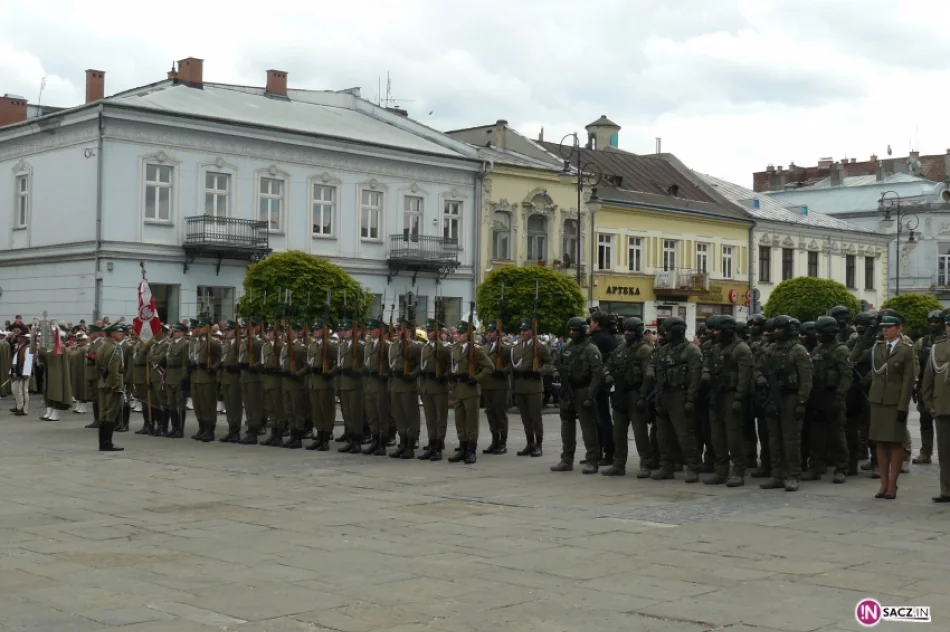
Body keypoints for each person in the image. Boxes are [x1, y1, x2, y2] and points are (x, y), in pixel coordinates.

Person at [756, 315, 812, 492]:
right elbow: (757, 368)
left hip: (791, 396)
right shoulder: (769, 349)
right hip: (772, 396)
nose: (776, 332)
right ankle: (776, 474)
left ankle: (793, 475)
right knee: (773, 439)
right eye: (775, 329)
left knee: (790, 439)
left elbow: (806, 378)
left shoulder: (798, 351)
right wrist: (760, 379)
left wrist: (802, 401)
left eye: (780, 329)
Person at [868, 310, 914, 500]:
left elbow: (908, 379)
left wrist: (903, 406)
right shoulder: (877, 347)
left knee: (895, 443)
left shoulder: (906, 349)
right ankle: (883, 484)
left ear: (898, 328)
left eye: (889, 327)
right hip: (878, 400)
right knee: (879, 442)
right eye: (883, 328)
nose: (885, 331)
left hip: (895, 402)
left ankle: (893, 485)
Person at [703, 315, 753, 487]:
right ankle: (721, 470)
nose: (713, 333)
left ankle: (738, 471)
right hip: (717, 394)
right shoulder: (715, 348)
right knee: (716, 435)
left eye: (717, 330)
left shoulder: (741, 349)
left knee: (733, 435)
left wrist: (739, 398)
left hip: (732, 395)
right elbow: (709, 368)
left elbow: (745, 377)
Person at [801, 316, 852, 484]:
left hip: (833, 397)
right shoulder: (818, 350)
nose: (817, 335)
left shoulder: (841, 350)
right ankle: (815, 467)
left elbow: (846, 376)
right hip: (817, 398)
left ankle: (841, 468)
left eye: (820, 332)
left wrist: (840, 396)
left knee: (837, 436)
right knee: (816, 436)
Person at [602, 317, 654, 478]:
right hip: (620, 393)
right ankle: (618, 464)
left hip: (635, 393)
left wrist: (643, 396)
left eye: (630, 332)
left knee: (640, 432)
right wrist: (608, 375)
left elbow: (649, 375)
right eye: (626, 331)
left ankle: (646, 464)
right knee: (618, 431)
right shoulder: (620, 348)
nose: (627, 334)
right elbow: (607, 365)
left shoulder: (645, 350)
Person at [550, 317, 604, 474]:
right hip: (567, 390)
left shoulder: (591, 349)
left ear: (582, 331)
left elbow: (598, 374)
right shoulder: (566, 347)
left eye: (575, 330)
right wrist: (555, 372)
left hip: (583, 390)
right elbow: (553, 364)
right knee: (566, 426)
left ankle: (592, 461)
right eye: (570, 330)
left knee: (588, 427)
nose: (572, 333)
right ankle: (566, 459)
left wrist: (591, 394)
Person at [651, 317, 702, 482]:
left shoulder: (691, 351)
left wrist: (690, 400)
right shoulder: (663, 350)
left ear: (678, 331)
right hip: (664, 394)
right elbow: (657, 371)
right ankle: (666, 467)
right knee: (662, 434)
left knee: (685, 434)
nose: (665, 334)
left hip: (680, 395)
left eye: (668, 331)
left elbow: (695, 377)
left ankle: (693, 467)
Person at [448, 319, 493, 464]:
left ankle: (471, 450)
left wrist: (476, 378)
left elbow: (489, 367)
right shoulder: (454, 348)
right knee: (459, 422)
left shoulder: (476, 350)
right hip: (458, 389)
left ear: (468, 335)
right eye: (457, 333)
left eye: (461, 333)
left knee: (471, 423)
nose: (458, 335)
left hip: (471, 390)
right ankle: (462, 448)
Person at [510, 320, 553, 457]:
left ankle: (538, 445)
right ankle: (530, 443)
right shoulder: (516, 347)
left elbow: (550, 363)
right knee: (525, 418)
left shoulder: (539, 347)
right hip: (520, 386)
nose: (522, 333)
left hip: (534, 386)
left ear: (532, 332)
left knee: (535, 417)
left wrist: (539, 371)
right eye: (521, 330)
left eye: (526, 330)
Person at [921, 312, 950, 503]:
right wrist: (929, 403)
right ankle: (947, 490)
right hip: (943, 406)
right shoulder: (937, 348)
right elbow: (928, 380)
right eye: (948, 324)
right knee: (945, 452)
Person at [911, 310, 944, 465]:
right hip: (925, 387)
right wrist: (915, 384)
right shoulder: (921, 342)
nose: (933, 324)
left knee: (945, 423)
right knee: (925, 421)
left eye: (937, 322)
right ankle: (926, 452)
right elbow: (914, 363)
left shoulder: (946, 341)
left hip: (944, 388)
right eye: (931, 322)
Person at [589, 312, 619, 466]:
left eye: (592, 322)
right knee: (602, 419)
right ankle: (602, 452)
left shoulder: (597, 339)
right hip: (608, 382)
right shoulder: (611, 338)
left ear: (597, 323)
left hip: (600, 383)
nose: (590, 325)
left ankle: (608, 453)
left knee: (602, 420)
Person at [418, 318, 451, 461]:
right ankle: (431, 445)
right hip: (426, 387)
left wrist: (443, 376)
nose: (429, 333)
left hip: (438, 388)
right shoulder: (425, 347)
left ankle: (438, 447)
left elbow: (450, 367)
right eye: (428, 331)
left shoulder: (443, 349)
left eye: (431, 331)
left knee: (440, 419)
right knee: (430, 419)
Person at [482, 322, 511, 454]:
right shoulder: (485, 348)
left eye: (492, 332)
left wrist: (503, 371)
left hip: (500, 385)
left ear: (499, 334)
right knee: (490, 413)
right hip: (487, 384)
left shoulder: (505, 348)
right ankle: (494, 440)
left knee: (500, 413)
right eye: (488, 332)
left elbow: (512, 365)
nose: (489, 334)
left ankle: (502, 442)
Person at [96, 323, 125, 452]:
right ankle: (107, 443)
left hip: (102, 383)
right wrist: (117, 386)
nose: (122, 334)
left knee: (103, 413)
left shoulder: (101, 347)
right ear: (112, 334)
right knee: (111, 413)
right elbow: (114, 370)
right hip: (112, 384)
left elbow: (99, 367)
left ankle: (102, 443)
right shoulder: (116, 348)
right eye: (119, 332)